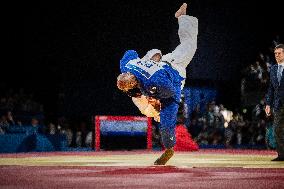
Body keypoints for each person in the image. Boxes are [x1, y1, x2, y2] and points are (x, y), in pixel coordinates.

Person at [117, 3, 198, 165]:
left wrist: (152, 60)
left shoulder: (130, 67)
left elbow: (134, 53)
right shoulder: (143, 93)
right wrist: (168, 144)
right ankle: (182, 17)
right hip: (172, 72)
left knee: (178, 48)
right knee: (188, 47)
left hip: (167, 67)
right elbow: (169, 101)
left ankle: (182, 17)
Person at [265, 44, 284, 161]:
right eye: (275, 54)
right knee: (277, 129)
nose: (277, 55)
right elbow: (271, 88)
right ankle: (282, 155)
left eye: (279, 53)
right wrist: (268, 104)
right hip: (278, 104)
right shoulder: (273, 69)